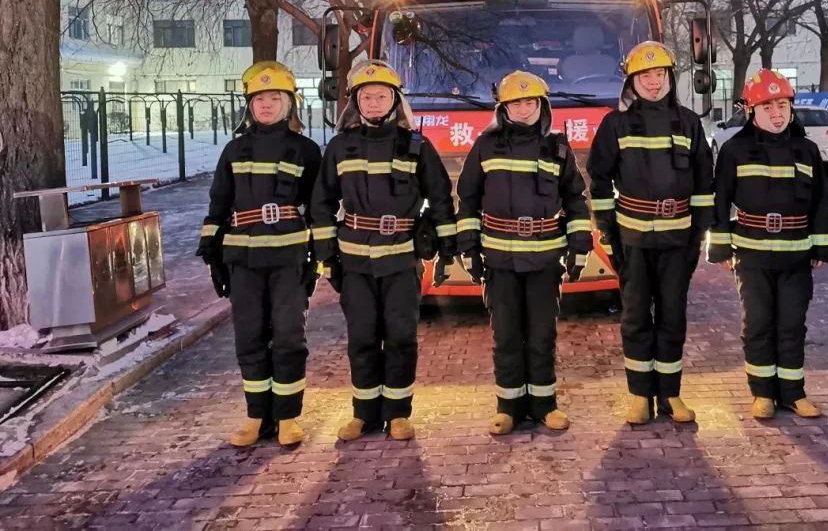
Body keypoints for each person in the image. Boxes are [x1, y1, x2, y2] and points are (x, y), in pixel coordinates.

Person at [310, 60, 456, 441]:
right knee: (361, 337)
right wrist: (327, 256)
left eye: (381, 96)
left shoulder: (416, 146)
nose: (373, 103)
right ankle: (364, 415)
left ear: (395, 101)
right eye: (366, 97)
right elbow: (321, 203)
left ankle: (398, 414)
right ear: (355, 103)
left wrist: (445, 247)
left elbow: (441, 198)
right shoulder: (340, 147)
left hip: (401, 259)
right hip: (354, 260)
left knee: (401, 337)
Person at [456, 71, 593, 434]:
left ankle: (545, 406)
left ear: (542, 106)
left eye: (530, 102)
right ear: (503, 108)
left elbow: (575, 199)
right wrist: (468, 248)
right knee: (506, 336)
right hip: (499, 261)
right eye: (515, 103)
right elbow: (467, 200)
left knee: (542, 335)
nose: (523, 109)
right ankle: (508, 408)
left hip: (545, 261)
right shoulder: (485, 146)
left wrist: (580, 247)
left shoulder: (557, 147)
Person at [587, 42, 714, 425]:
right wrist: (610, 233)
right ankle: (640, 396)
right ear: (631, 81)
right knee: (636, 318)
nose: (654, 82)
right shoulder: (615, 125)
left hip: (678, 241)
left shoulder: (688, 123)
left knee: (673, 318)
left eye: (660, 74)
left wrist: (698, 235)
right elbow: (599, 182)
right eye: (645, 75)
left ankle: (671, 394)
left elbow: (703, 184)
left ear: (670, 77)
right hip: (634, 242)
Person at [197, 61, 322, 447]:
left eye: (274, 98)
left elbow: (318, 210)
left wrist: (317, 259)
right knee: (249, 337)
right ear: (249, 106)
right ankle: (256, 416)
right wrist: (213, 254)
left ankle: (287, 417)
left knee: (288, 337)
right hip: (243, 261)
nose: (266, 105)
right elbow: (219, 204)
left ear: (290, 104)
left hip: (288, 260)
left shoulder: (306, 151)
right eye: (259, 99)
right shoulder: (234, 150)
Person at [708, 69, 828, 419]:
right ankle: (763, 393)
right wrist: (720, 248)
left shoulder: (807, 151)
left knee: (792, 324)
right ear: (752, 111)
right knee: (758, 324)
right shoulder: (734, 151)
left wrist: (822, 247)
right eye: (767, 107)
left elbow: (820, 203)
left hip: (796, 254)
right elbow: (719, 202)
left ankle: (793, 393)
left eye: (782, 105)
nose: (777, 114)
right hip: (752, 255)